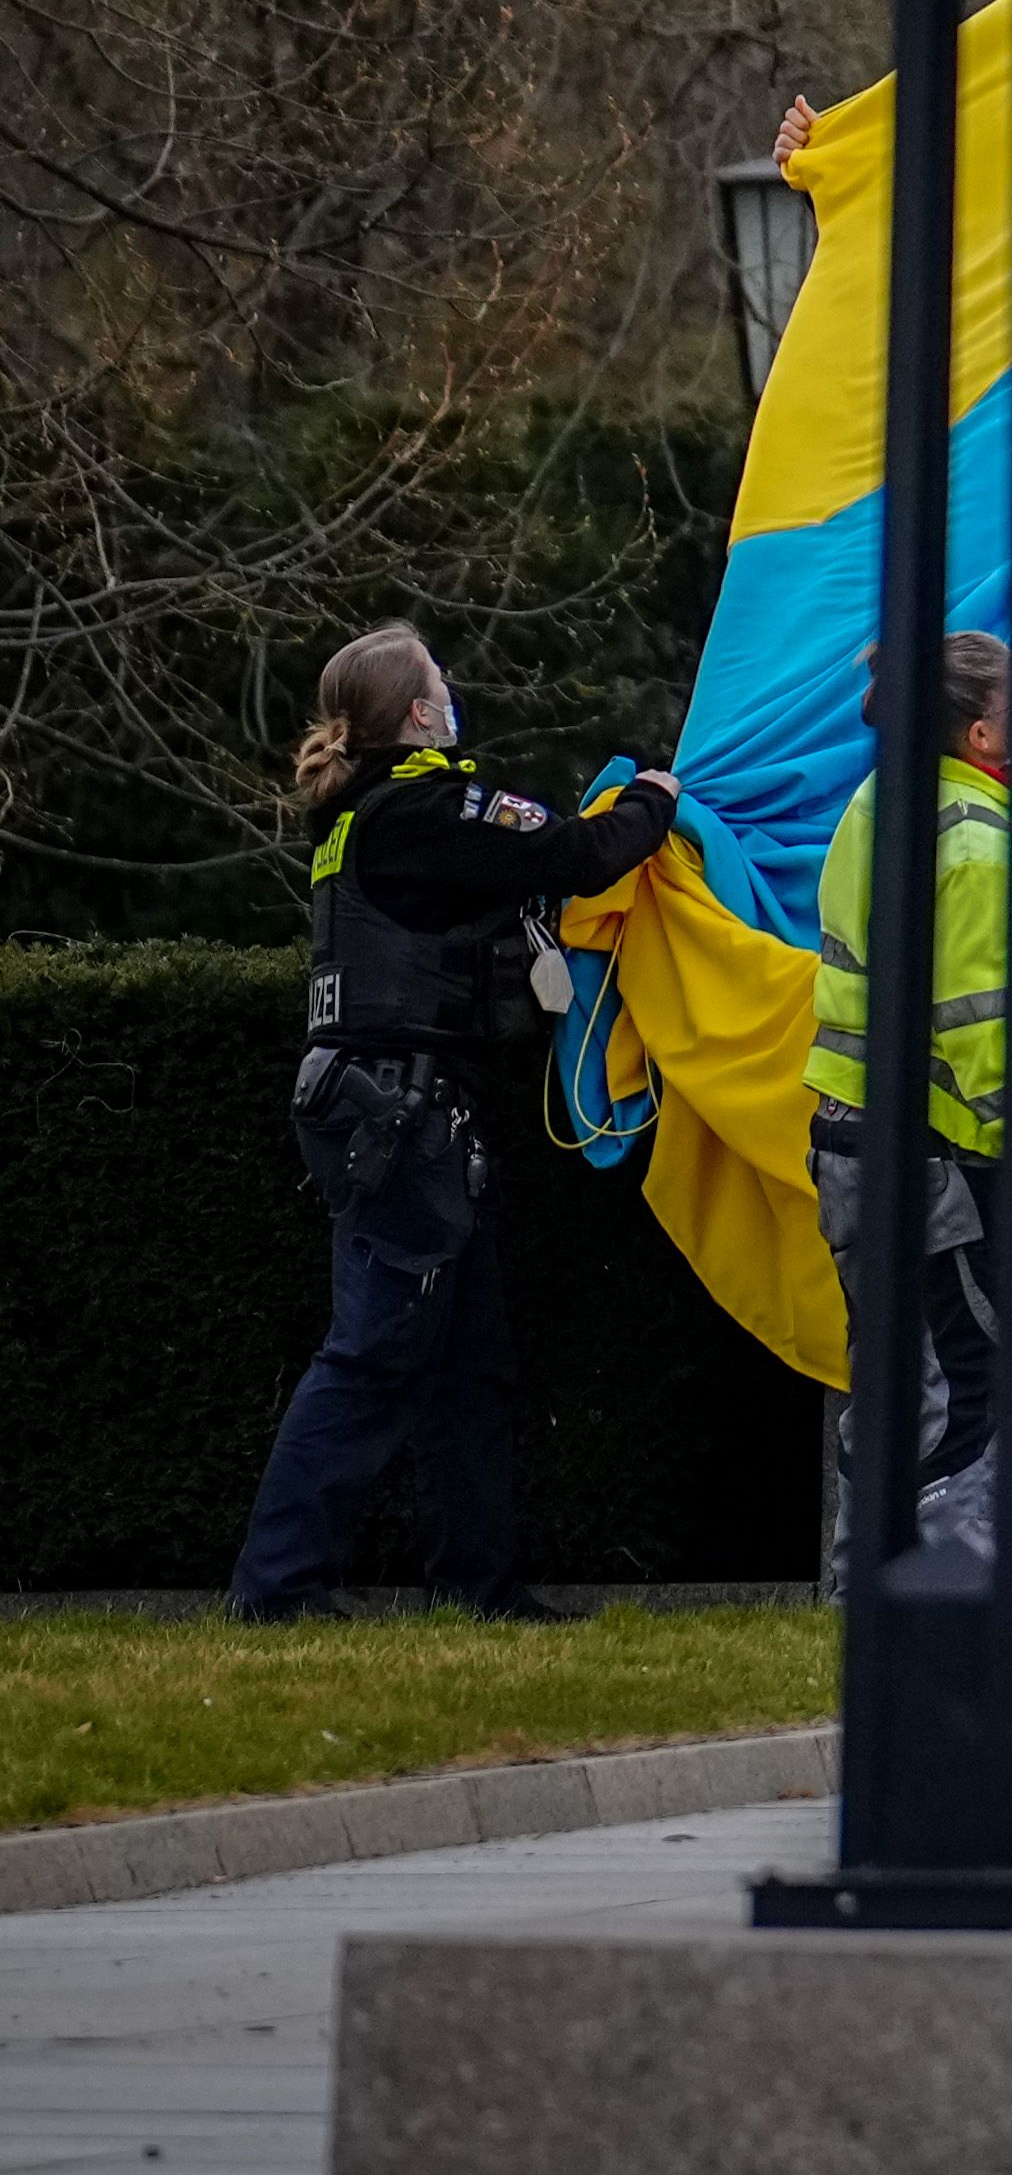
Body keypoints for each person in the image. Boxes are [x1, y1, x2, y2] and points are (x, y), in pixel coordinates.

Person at [231, 626, 679, 1621]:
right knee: (373, 1352)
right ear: (421, 714)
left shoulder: (358, 814)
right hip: (406, 1109)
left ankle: (480, 1584)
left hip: (387, 1103)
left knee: (468, 1361)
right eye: (441, 685)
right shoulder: (428, 806)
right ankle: (278, 1590)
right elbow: (580, 851)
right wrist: (656, 797)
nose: (454, 695)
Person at [812, 629, 1012, 1570]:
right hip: (929, 1166)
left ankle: (866, 1583)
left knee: (895, 1379)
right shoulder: (977, 847)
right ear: (979, 735)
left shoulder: (881, 801)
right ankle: (939, 1590)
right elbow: (987, 1037)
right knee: (970, 1388)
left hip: (856, 1148)